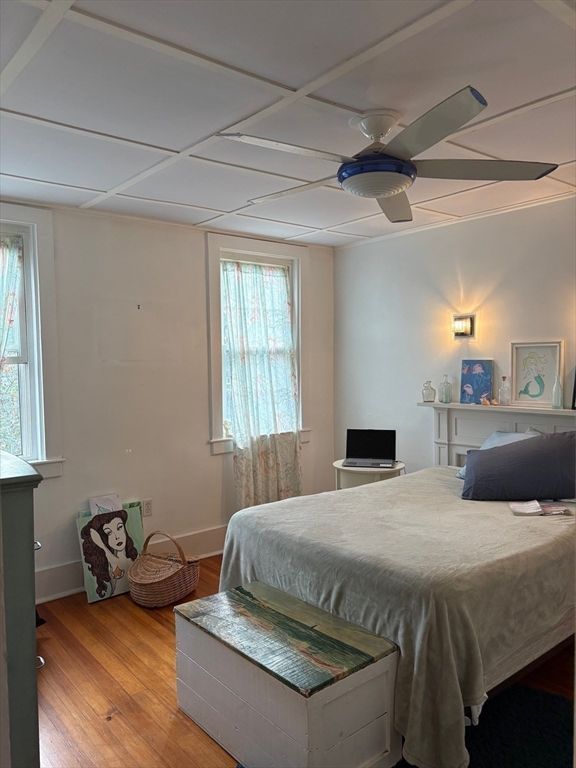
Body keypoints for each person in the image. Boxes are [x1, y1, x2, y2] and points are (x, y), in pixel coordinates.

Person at [80, 508, 138, 598]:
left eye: (119, 527)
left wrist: (100, 544)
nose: (117, 537)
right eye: (109, 533)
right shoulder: (112, 562)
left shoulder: (125, 560)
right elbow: (114, 562)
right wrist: (101, 544)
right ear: (104, 538)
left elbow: (116, 562)